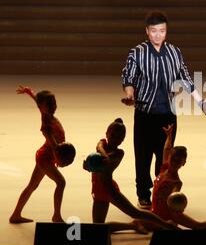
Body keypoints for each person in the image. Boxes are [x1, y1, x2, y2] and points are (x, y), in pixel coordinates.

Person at [121, 11, 206, 208]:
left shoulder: (175, 52)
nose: (158, 35)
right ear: (147, 31)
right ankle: (143, 194)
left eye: (162, 31)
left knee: (165, 157)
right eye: (154, 31)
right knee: (143, 156)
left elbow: (186, 79)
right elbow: (128, 78)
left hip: (168, 115)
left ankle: (160, 191)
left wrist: (201, 102)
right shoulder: (137, 53)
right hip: (145, 114)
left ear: (166, 31)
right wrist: (130, 95)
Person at [86, 118, 179, 232]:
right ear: (107, 133)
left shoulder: (119, 153)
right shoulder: (101, 145)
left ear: (122, 140)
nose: (115, 139)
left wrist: (96, 161)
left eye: (119, 137)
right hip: (97, 189)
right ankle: (132, 225)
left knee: (135, 212)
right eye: (113, 135)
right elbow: (99, 149)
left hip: (109, 189)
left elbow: (106, 161)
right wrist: (88, 166)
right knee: (98, 227)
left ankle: (166, 224)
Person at [136, 124, 206, 230]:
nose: (174, 162)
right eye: (173, 158)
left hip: (169, 217)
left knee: (198, 226)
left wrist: (178, 206)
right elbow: (167, 149)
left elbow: (176, 198)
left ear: (183, 163)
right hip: (155, 212)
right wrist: (169, 136)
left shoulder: (176, 182)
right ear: (169, 158)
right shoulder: (164, 168)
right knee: (138, 221)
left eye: (179, 161)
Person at [10, 86, 76, 223]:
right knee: (61, 182)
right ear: (43, 106)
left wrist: (29, 92)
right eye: (50, 104)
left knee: (32, 186)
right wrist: (59, 157)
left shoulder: (45, 112)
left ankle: (15, 215)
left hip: (44, 156)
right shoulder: (47, 124)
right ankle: (56, 216)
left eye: (54, 103)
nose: (53, 106)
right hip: (46, 157)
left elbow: (37, 101)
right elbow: (53, 145)